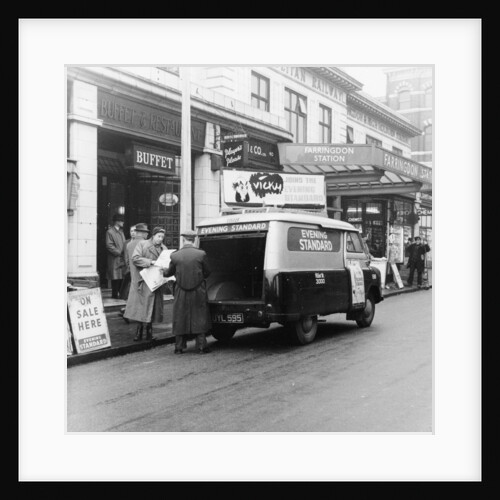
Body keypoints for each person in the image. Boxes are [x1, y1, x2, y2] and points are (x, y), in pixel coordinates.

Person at [165, 229, 212, 354]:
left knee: (180, 316)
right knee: (200, 315)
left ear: (183, 240)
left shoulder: (175, 255)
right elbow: (208, 272)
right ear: (194, 240)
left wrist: (163, 271)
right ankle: (201, 346)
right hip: (198, 290)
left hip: (181, 290)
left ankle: (179, 347)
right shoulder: (201, 254)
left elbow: (168, 273)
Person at [124, 226, 169, 341]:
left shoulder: (164, 249)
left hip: (156, 282)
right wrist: (151, 262)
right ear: (153, 236)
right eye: (159, 236)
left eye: (162, 237)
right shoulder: (142, 245)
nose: (160, 239)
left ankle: (149, 332)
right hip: (144, 281)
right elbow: (135, 258)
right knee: (142, 308)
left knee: (152, 308)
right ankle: (139, 333)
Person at [106, 213, 126, 299]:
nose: (123, 223)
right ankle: (114, 295)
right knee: (115, 278)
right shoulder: (110, 232)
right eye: (121, 221)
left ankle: (120, 294)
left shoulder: (121, 232)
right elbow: (109, 245)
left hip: (121, 258)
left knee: (121, 276)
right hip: (114, 258)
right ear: (117, 222)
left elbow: (124, 243)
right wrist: (119, 253)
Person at [119, 224, 137, 307]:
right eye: (131, 231)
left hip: (135, 270)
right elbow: (122, 255)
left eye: (135, 231)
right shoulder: (126, 242)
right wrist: (123, 265)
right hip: (127, 270)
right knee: (126, 291)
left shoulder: (140, 243)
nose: (133, 233)